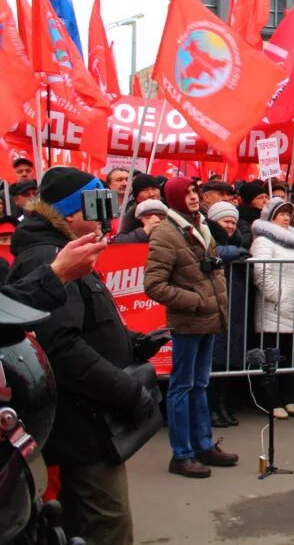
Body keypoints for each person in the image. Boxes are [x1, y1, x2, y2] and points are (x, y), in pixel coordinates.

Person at [9, 167, 166, 544]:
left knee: (90, 522)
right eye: (95, 206)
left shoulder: (70, 247)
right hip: (81, 423)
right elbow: (59, 346)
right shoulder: (48, 256)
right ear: (68, 215)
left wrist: (133, 342)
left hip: (89, 417)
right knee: (107, 525)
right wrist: (127, 390)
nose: (105, 215)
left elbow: (87, 322)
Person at [144, 176, 237, 478]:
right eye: (187, 193)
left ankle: (203, 445)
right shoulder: (165, 233)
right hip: (189, 320)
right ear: (174, 198)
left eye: (195, 191)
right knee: (182, 386)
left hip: (208, 317)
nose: (194, 196)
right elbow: (154, 285)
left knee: (200, 384)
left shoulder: (200, 224)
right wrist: (195, 300)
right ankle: (181, 454)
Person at [250, 197, 294, 419]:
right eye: (281, 214)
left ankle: (289, 398)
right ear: (270, 218)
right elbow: (261, 272)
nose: (286, 218)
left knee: (293, 357)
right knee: (272, 358)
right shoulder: (263, 242)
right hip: (274, 311)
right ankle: (272, 401)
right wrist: (276, 296)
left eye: (288, 213)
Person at [205, 201, 249, 427]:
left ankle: (223, 406)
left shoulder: (240, 241)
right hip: (214, 306)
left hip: (236, 307)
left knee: (228, 361)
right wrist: (233, 253)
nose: (230, 226)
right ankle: (210, 408)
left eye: (233, 221)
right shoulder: (207, 238)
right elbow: (207, 253)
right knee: (213, 361)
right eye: (225, 221)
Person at [236, 180, 269, 248]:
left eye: (266, 197)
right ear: (249, 201)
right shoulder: (242, 219)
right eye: (260, 198)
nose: (265, 201)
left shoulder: (270, 216)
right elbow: (246, 242)